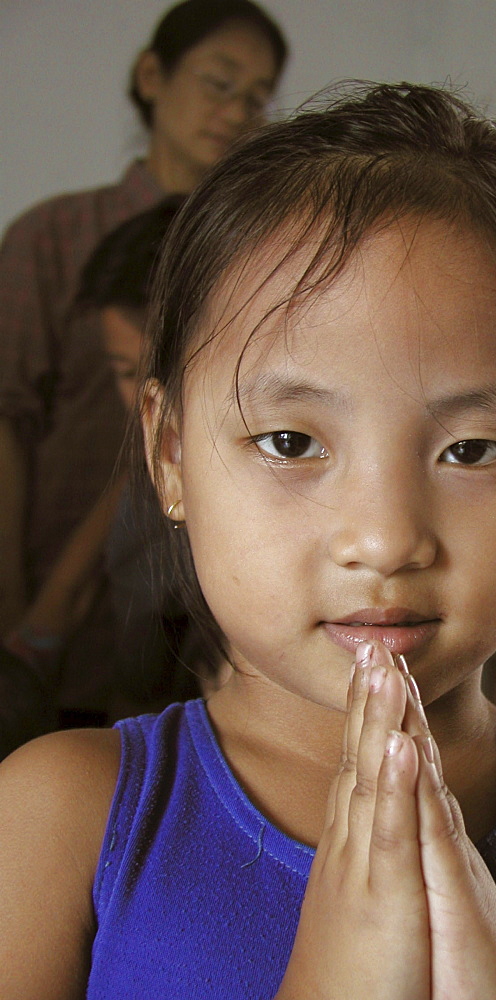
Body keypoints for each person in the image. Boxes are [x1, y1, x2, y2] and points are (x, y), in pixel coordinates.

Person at [0, 83, 496, 1000]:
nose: (387, 540)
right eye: (289, 442)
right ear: (172, 456)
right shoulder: (62, 819)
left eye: (471, 450)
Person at [0, 0, 288, 725]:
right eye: (218, 82)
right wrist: (20, 608)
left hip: (208, 624)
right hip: (52, 605)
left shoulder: (261, 256)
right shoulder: (52, 237)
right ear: (152, 75)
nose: (234, 111)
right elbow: (6, 421)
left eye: (255, 97)